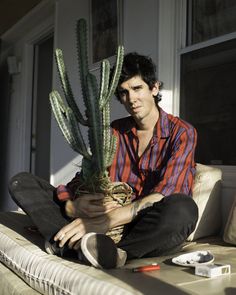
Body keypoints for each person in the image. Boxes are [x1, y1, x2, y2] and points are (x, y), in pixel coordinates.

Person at [9, 52, 198, 269]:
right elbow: (83, 179)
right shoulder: (114, 132)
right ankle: (84, 247)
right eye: (123, 93)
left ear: (154, 88)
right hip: (100, 218)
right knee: (21, 182)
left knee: (184, 209)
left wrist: (100, 222)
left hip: (142, 227)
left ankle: (113, 252)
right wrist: (73, 206)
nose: (131, 99)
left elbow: (167, 193)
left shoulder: (182, 132)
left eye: (137, 88)